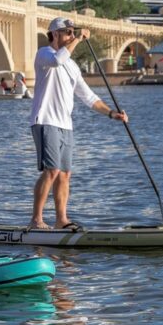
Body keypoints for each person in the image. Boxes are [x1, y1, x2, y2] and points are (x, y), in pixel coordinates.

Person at [29, 17, 128, 231]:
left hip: (66, 125)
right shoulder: (44, 54)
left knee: (65, 173)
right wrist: (80, 40)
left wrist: (112, 113)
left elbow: (89, 97)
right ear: (55, 34)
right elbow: (58, 60)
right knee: (51, 170)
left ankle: (61, 220)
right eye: (67, 32)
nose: (71, 36)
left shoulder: (72, 66)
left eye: (73, 32)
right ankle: (36, 220)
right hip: (45, 120)